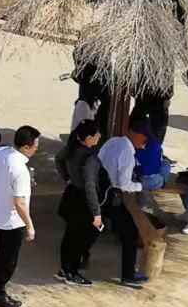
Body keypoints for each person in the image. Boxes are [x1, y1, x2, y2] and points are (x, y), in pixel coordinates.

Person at [0, 125, 41, 307]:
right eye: (35, 145)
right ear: (25, 148)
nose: (37, 148)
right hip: (12, 221)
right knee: (9, 260)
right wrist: (30, 225)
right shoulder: (20, 170)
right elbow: (20, 203)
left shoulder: (3, 153)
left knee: (2, 251)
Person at [96, 121, 151, 287]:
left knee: (91, 229)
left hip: (99, 192)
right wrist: (142, 186)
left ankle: (75, 263)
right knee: (130, 234)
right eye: (144, 141)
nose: (144, 145)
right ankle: (128, 274)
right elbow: (124, 184)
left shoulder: (112, 141)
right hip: (112, 196)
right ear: (136, 135)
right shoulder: (128, 152)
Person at [55, 119, 105, 286]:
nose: (99, 137)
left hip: (72, 193)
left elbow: (58, 159)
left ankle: (65, 269)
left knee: (70, 235)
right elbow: (90, 185)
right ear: (89, 137)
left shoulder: (72, 149)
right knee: (79, 238)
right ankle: (72, 272)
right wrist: (96, 212)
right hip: (83, 199)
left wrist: (67, 177)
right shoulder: (89, 158)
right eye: (97, 134)